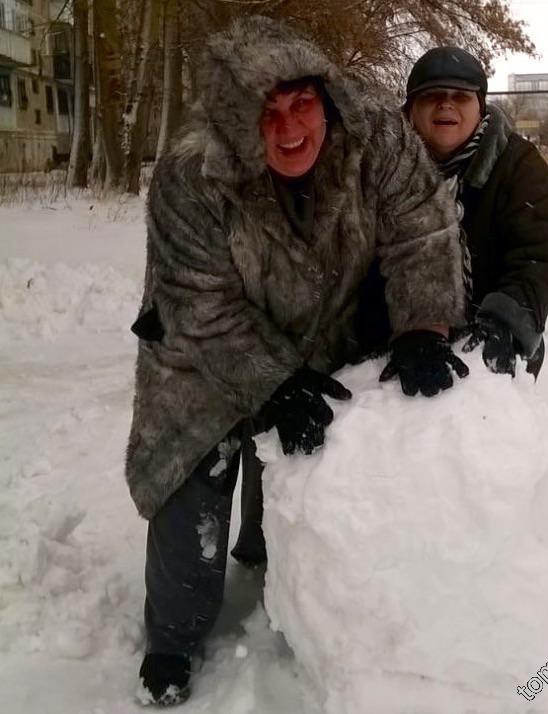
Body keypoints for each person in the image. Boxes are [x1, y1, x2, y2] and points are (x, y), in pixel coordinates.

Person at [126, 17, 469, 706]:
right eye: (266, 112)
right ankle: (173, 638)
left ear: (326, 96)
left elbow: (421, 231)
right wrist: (270, 377)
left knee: (290, 459)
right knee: (194, 481)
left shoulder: (374, 136)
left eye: (301, 104)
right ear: (234, 116)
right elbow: (199, 305)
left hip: (317, 334)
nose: (289, 129)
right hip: (200, 356)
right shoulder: (193, 171)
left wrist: (422, 327)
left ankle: (268, 563)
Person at [400, 47, 548, 377]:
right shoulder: (379, 166)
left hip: (490, 337)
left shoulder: (519, 165)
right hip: (401, 339)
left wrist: (504, 320)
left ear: (479, 106)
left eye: (460, 96)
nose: (445, 104)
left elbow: (541, 255)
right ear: (410, 109)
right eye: (432, 95)